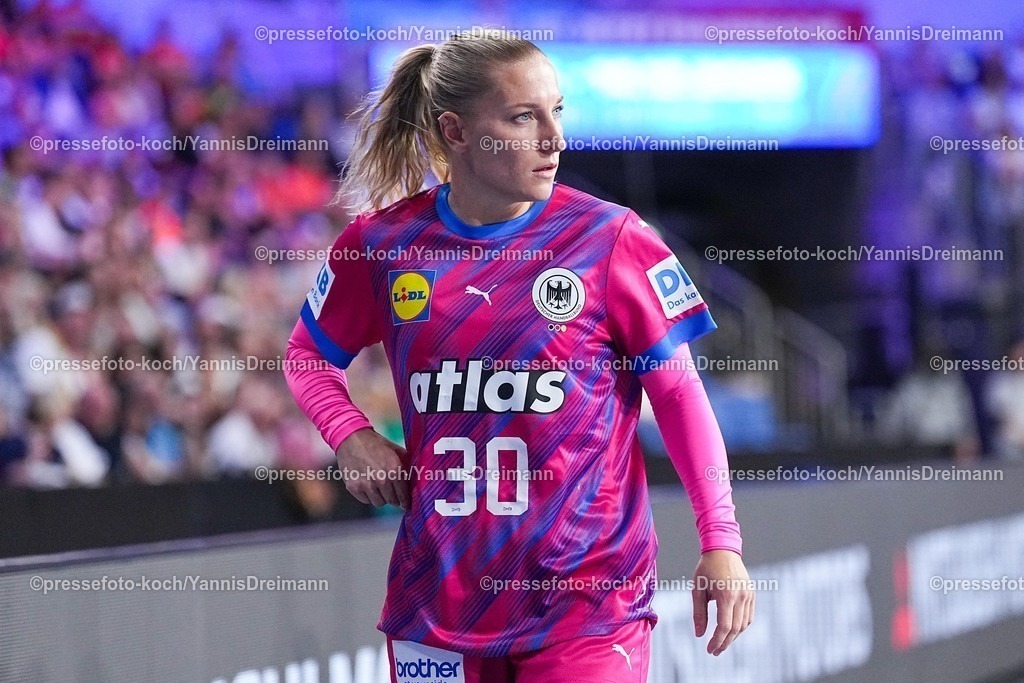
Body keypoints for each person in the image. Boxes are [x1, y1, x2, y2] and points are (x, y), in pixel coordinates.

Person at [284, 30, 754, 683]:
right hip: (436, 607)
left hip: (587, 608)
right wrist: (352, 435)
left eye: (557, 111)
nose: (553, 138)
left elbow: (677, 396)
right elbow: (307, 355)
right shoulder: (383, 245)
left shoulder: (609, 239)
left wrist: (721, 541)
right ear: (456, 131)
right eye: (523, 116)